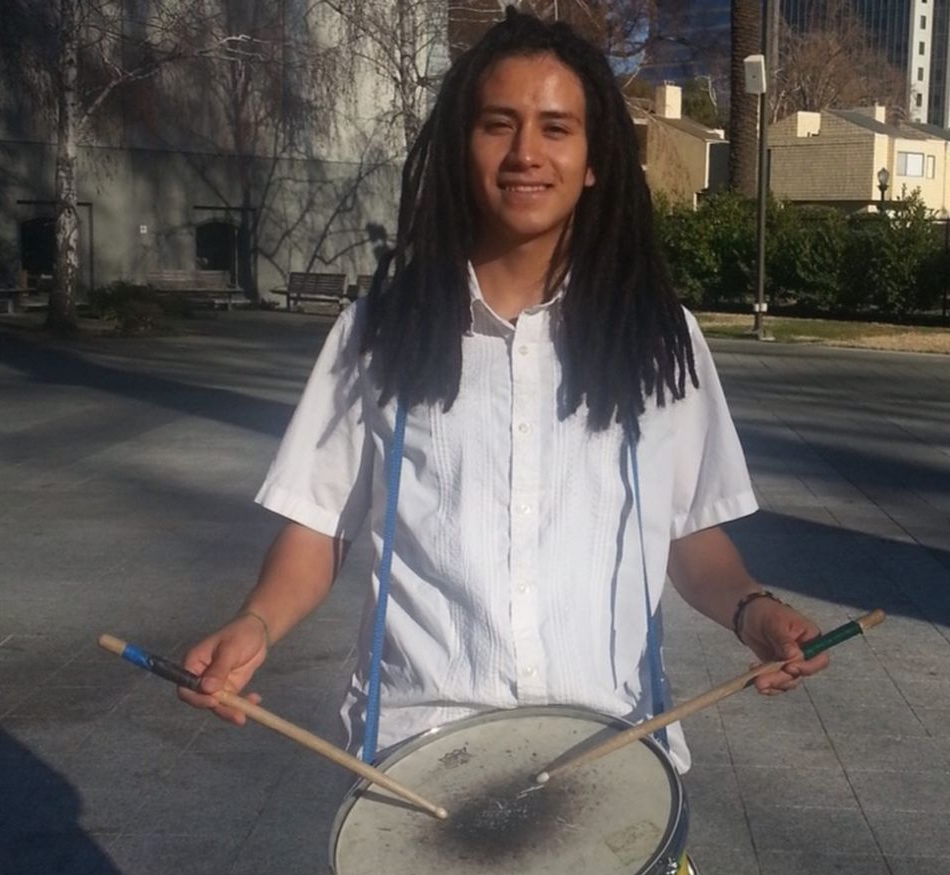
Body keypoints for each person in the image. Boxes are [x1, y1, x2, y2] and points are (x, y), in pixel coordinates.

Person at [178, 8, 828, 772]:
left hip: (612, 755)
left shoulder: (657, 339)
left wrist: (752, 610)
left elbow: (687, 531)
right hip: (419, 763)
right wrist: (256, 621)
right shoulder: (380, 331)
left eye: (556, 128)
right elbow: (320, 525)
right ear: (463, 146)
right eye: (498, 125)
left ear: (595, 159)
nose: (526, 153)